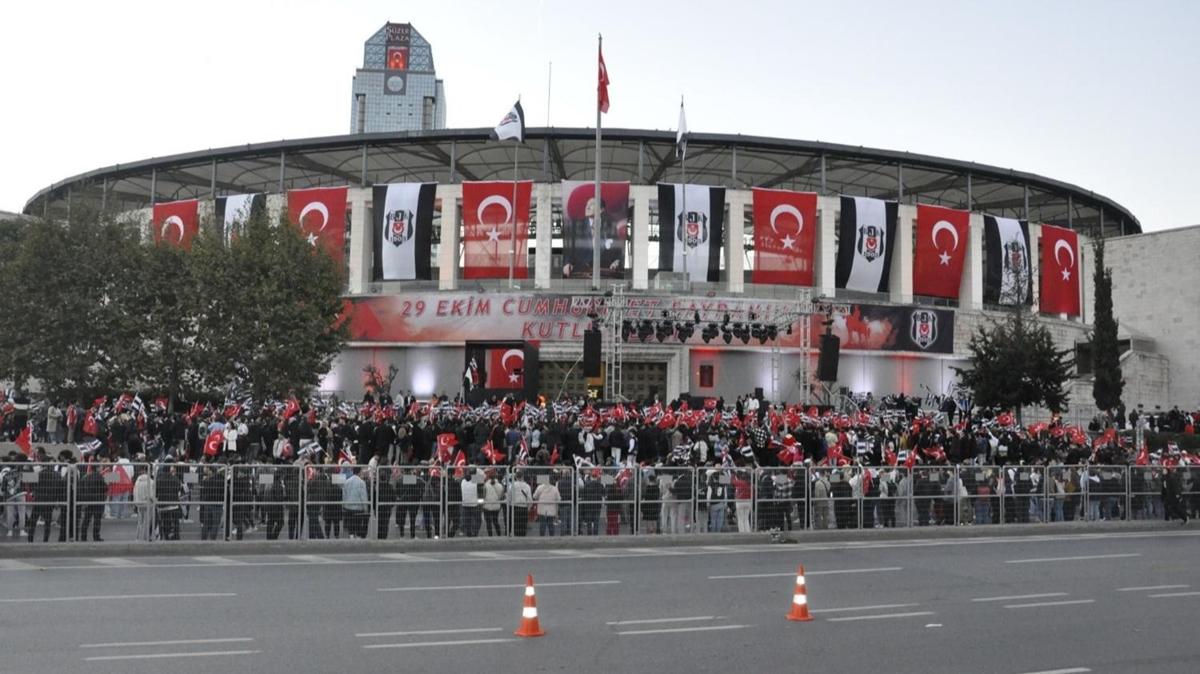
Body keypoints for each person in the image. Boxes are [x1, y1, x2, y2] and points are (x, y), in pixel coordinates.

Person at [342, 467, 369, 538]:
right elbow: (363, 496)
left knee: (350, 523)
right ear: (359, 472)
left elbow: (344, 494)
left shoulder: (347, 481)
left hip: (348, 507)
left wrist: (344, 505)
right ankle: (357, 536)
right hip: (358, 507)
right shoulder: (362, 482)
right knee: (357, 523)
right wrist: (365, 507)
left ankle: (351, 535)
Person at [481, 470, 506, 537]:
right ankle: (499, 534)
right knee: (495, 521)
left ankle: (490, 535)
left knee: (488, 522)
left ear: (488, 477)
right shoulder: (500, 486)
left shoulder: (485, 485)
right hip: (496, 506)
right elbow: (501, 496)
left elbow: (483, 495)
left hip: (487, 506)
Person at [510, 472, 532, 537]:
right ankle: (522, 536)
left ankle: (515, 535)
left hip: (515, 506)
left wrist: (511, 504)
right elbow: (529, 498)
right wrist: (529, 507)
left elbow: (509, 496)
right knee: (523, 524)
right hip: (524, 506)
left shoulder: (512, 485)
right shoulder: (527, 486)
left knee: (515, 522)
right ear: (522, 477)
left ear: (516, 477)